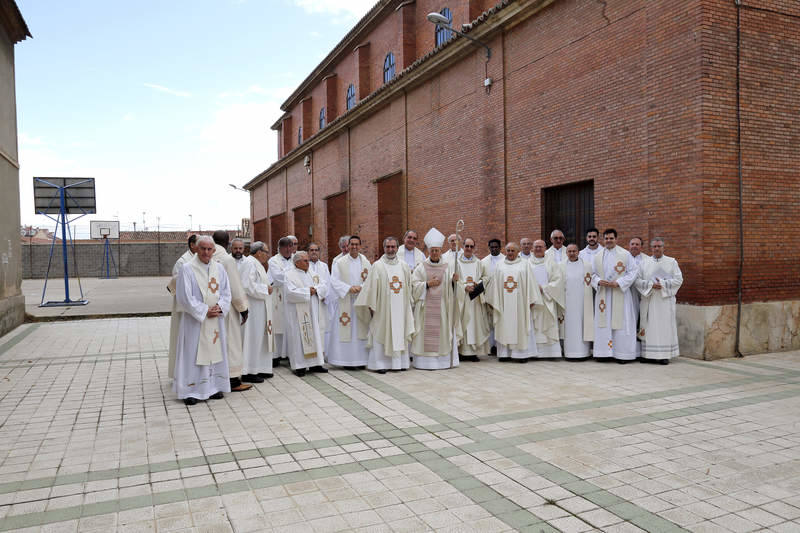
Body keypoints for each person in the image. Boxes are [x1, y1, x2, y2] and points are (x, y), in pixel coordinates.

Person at [173, 236, 231, 405]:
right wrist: (205, 310)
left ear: (214, 251)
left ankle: (213, 387)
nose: (206, 252)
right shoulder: (187, 268)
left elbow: (227, 292)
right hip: (195, 321)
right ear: (197, 249)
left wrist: (220, 307)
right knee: (193, 353)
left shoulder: (219, 268)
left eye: (209, 249)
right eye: (203, 249)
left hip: (215, 320)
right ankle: (191, 390)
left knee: (214, 352)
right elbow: (184, 297)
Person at [355, 236, 415, 374]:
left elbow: (408, 287)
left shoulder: (404, 266)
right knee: (381, 333)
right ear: (384, 248)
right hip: (382, 309)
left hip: (400, 309)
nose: (390, 249)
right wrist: (371, 305)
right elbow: (370, 288)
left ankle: (400, 363)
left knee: (399, 331)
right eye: (388, 247)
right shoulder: (377, 265)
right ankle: (380, 364)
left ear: (397, 248)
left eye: (393, 247)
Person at [410, 228, 459, 370]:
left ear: (440, 251)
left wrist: (454, 282)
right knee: (425, 333)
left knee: (443, 332)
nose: (434, 253)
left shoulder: (448, 266)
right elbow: (414, 285)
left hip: (443, 307)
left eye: (437, 250)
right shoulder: (421, 267)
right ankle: (424, 363)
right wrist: (427, 284)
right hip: (426, 308)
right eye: (432, 251)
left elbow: (455, 289)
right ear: (428, 251)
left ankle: (443, 363)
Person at [486, 242, 543, 361]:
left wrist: (531, 299)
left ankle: (520, 355)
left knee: (520, 327)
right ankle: (504, 354)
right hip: (503, 305)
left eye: (513, 251)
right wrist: (493, 301)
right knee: (504, 326)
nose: (510, 253)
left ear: (518, 252)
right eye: (508, 250)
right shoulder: (499, 265)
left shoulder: (525, 265)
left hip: (520, 304)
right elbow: (494, 285)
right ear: (505, 251)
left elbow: (531, 283)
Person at [590, 229, 640, 363]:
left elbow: (633, 272)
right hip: (604, 295)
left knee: (622, 324)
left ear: (616, 239)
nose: (608, 241)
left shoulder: (625, 254)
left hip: (620, 294)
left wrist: (619, 283)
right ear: (603, 240)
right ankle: (604, 353)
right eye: (606, 238)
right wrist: (598, 282)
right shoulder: (598, 256)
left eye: (611, 238)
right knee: (604, 324)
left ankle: (622, 354)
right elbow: (592, 274)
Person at [212, 230, 251, 391]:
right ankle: (233, 380)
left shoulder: (203, 256)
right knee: (231, 343)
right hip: (225, 309)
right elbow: (235, 287)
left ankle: (213, 378)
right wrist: (243, 308)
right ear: (228, 243)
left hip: (209, 309)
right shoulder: (227, 259)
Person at [326, 236, 371, 369]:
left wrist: (361, 287)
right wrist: (348, 288)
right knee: (346, 330)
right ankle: (346, 361)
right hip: (345, 301)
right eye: (352, 244)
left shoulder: (366, 262)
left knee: (360, 330)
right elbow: (334, 280)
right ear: (348, 245)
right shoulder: (340, 262)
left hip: (361, 301)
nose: (354, 247)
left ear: (360, 246)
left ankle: (361, 360)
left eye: (357, 244)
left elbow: (371, 279)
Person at [635, 238, 683, 364]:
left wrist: (662, 283)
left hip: (664, 301)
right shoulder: (644, 263)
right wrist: (651, 285)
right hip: (649, 300)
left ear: (663, 247)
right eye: (654, 246)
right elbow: (637, 281)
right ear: (651, 248)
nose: (656, 248)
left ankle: (664, 355)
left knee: (664, 327)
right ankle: (646, 355)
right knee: (648, 326)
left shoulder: (672, 262)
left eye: (659, 246)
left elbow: (678, 280)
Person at [284, 251, 329, 376]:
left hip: (314, 312)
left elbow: (324, 286)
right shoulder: (289, 275)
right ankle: (300, 366)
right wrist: (307, 291)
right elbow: (290, 293)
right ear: (297, 262)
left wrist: (316, 290)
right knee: (299, 338)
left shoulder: (312, 273)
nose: (308, 263)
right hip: (298, 314)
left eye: (308, 260)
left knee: (315, 336)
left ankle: (316, 364)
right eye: (305, 261)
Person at [239, 241, 275, 382]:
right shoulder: (249, 263)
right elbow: (246, 285)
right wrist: (265, 289)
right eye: (266, 252)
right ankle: (249, 371)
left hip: (261, 307)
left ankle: (261, 368)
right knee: (252, 339)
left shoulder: (256, 264)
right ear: (259, 252)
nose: (267, 255)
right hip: (253, 309)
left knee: (261, 338)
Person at [454, 238, 490, 361]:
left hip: (475, 300)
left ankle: (473, 353)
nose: (469, 248)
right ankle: (460, 352)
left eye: (471, 246)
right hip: (462, 299)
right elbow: (453, 280)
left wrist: (477, 284)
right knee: (463, 322)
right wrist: (464, 287)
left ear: (474, 248)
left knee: (474, 324)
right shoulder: (456, 263)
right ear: (463, 247)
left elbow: (486, 278)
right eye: (467, 246)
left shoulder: (479, 263)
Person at [167, 234, 197, 379]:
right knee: (183, 343)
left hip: (197, 308)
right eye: (200, 245)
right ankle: (181, 374)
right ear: (192, 245)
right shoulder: (183, 262)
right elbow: (178, 284)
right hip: (184, 309)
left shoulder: (200, 260)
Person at [530, 240, 564, 357]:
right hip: (533, 300)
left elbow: (558, 281)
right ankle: (534, 353)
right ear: (532, 249)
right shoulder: (526, 263)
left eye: (540, 246)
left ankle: (550, 353)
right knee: (534, 326)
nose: (538, 249)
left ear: (545, 248)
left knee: (548, 324)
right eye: (536, 247)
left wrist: (544, 288)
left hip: (547, 298)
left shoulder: (551, 263)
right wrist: (533, 290)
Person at [560, 243, 593, 360]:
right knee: (569, 327)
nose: (572, 253)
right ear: (566, 253)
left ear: (578, 252)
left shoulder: (587, 266)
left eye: (574, 251)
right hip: (567, 302)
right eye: (569, 251)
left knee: (582, 325)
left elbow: (593, 281)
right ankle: (569, 353)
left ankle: (584, 353)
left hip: (583, 302)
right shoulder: (561, 266)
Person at [268, 237, 294, 366]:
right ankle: (276, 356)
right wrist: (293, 275)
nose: (289, 250)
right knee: (278, 326)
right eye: (286, 247)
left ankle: (291, 354)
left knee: (291, 325)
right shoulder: (273, 260)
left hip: (292, 296)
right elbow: (278, 276)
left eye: (291, 247)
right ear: (280, 249)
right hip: (278, 297)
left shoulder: (296, 258)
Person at [481, 238, 505, 354]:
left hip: (502, 296)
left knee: (500, 320)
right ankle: (491, 346)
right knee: (489, 322)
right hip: (488, 296)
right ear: (489, 247)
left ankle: (500, 345)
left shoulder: (506, 259)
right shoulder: (483, 262)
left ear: (500, 247)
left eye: (496, 247)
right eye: (492, 247)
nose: (494, 249)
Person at [308, 242, 331, 344]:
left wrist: (320, 292)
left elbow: (327, 282)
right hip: (309, 300)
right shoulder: (305, 265)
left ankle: (322, 350)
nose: (314, 252)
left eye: (316, 250)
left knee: (322, 326)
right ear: (308, 252)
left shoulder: (324, 266)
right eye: (311, 250)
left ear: (319, 252)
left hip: (322, 300)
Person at [629, 236, 648, 356]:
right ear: (629, 245)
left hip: (642, 294)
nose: (634, 246)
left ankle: (641, 350)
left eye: (637, 244)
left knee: (641, 320)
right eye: (632, 244)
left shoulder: (647, 259)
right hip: (627, 293)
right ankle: (629, 348)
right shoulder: (624, 257)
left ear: (641, 246)